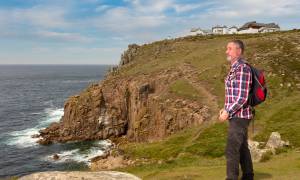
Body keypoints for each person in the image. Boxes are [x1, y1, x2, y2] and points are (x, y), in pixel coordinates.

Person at [219, 40, 254, 180]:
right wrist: (225, 108)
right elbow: (233, 94)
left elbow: (241, 97)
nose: (226, 51)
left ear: (239, 51)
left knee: (231, 148)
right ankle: (248, 175)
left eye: (230, 48)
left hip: (240, 116)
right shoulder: (234, 68)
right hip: (236, 114)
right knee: (242, 147)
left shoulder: (242, 68)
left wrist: (227, 111)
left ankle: (231, 178)